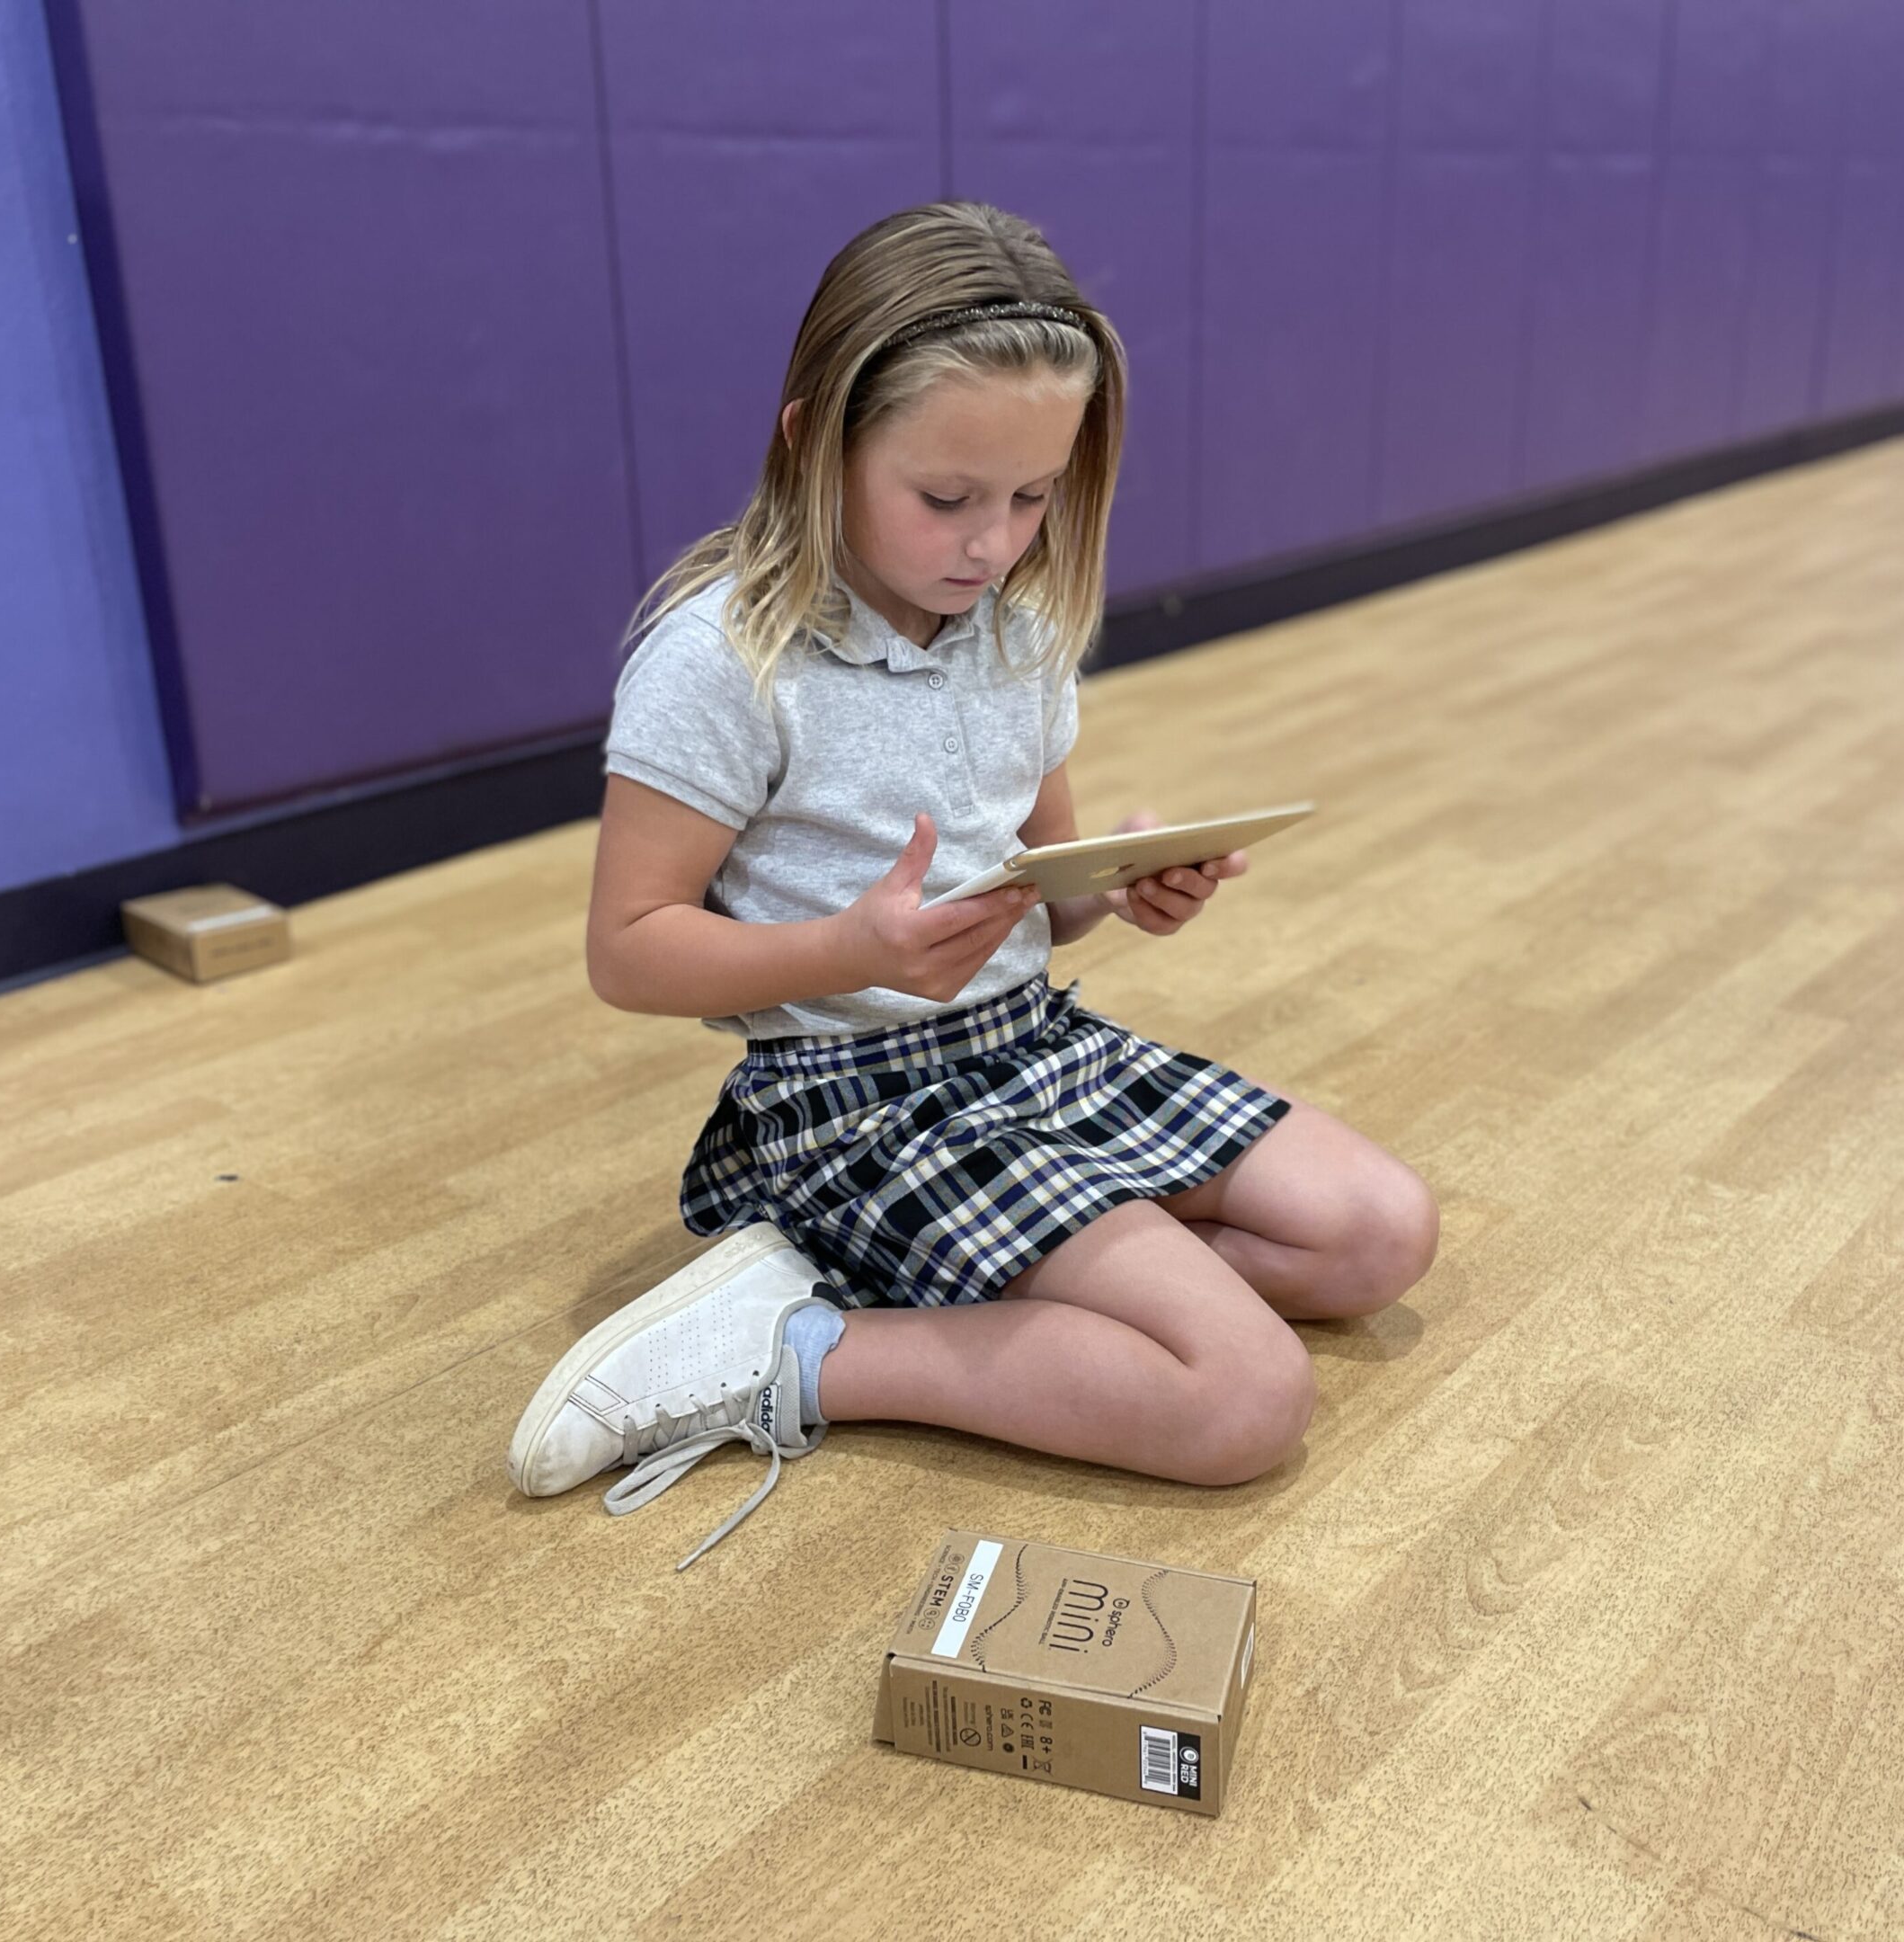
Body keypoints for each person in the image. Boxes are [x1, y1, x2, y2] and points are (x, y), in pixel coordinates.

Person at [509, 201, 1437, 1568]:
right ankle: (799, 1347)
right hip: (852, 1106)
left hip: (1030, 1053)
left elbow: (1040, 895)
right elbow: (629, 951)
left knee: (1378, 1238)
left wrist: (1120, 886)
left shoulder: (1019, 628)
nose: (992, 544)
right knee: (1245, 1398)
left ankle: (958, 1303)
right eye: (946, 498)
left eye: (1033, 496)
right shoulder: (722, 659)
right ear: (813, 436)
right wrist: (851, 949)